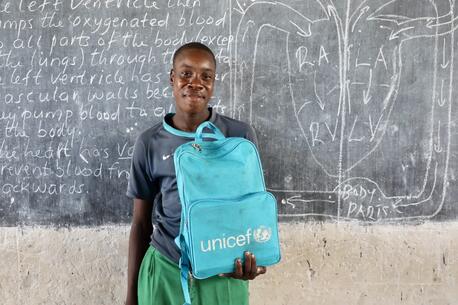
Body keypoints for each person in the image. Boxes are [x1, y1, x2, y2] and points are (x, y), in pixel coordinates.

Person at [125, 42, 267, 305]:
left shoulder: (239, 137)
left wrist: (253, 256)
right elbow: (141, 223)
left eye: (206, 76)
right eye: (186, 74)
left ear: (213, 83)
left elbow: (252, 211)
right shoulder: (150, 142)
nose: (195, 83)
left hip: (223, 272)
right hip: (166, 271)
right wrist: (131, 296)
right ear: (172, 78)